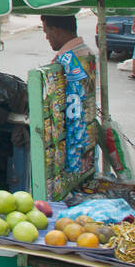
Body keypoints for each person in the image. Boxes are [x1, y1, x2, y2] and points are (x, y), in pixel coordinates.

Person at [41, 14, 93, 174]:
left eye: (46, 32)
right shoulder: (84, 50)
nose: (46, 37)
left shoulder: (69, 59)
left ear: (55, 31)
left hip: (73, 134)